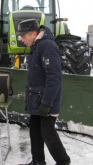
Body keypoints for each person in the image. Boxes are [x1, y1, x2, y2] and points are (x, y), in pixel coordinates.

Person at [17, 19, 71, 165]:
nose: (21, 40)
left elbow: (54, 78)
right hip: (36, 100)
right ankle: (38, 161)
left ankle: (63, 161)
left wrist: (46, 103)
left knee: (48, 133)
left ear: (33, 34)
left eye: (23, 36)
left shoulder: (47, 46)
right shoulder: (37, 46)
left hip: (46, 101)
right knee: (35, 131)